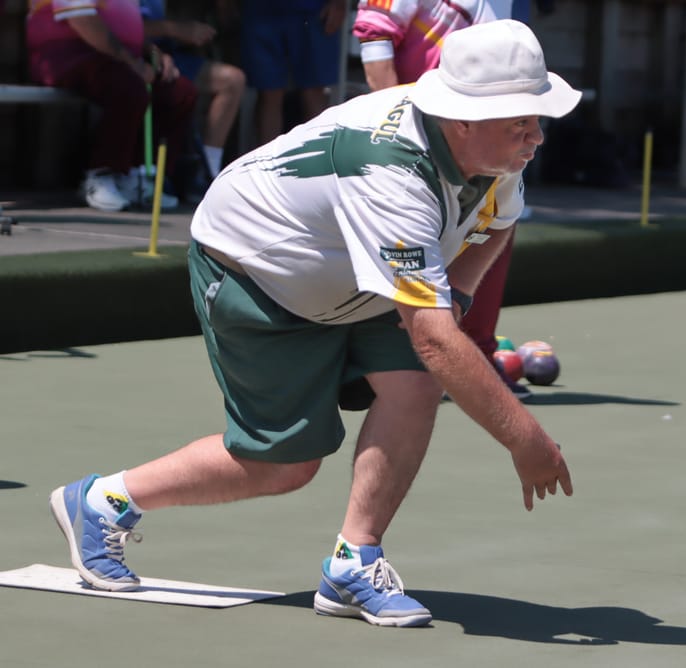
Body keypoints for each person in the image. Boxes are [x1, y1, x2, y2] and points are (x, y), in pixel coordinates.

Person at [48, 19, 577, 628]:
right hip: (258, 273)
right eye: (522, 121)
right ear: (461, 118)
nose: (536, 135)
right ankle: (102, 502)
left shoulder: (496, 146)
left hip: (355, 272)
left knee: (416, 383)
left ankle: (355, 563)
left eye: (537, 117)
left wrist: (454, 291)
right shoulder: (392, 172)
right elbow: (434, 338)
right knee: (284, 465)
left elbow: (499, 219)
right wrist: (525, 440)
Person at [352, 0, 531, 400]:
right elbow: (376, 39)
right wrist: (401, 124)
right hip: (421, 142)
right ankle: (396, 363)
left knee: (499, 220)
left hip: (479, 136)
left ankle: (478, 355)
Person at [26, 0, 196, 212]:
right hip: (70, 54)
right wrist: (132, 63)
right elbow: (83, 21)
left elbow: (123, 27)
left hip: (113, 55)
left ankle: (139, 176)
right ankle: (101, 174)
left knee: (180, 92)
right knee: (127, 87)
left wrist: (152, 53)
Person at [139, 0, 246, 183]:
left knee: (233, 80)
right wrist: (174, 29)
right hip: (136, 58)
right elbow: (117, 26)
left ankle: (207, 171)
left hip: (175, 58)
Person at [240, 0, 347, 146]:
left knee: (314, 90)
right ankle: (267, 162)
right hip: (261, 11)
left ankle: (316, 160)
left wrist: (339, 3)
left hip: (314, 10)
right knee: (269, 93)